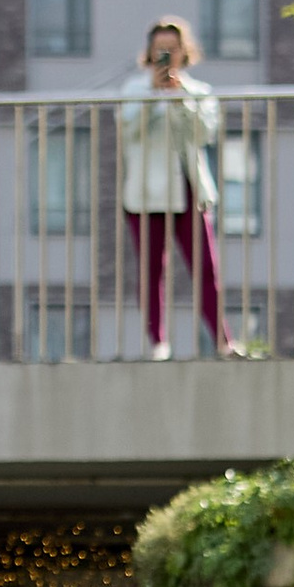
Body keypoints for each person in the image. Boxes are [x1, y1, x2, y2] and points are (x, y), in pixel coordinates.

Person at [117, 18, 235, 360]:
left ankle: (223, 342)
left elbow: (204, 133)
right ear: (150, 53)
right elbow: (128, 131)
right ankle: (158, 343)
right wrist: (154, 97)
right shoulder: (134, 90)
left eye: (172, 49)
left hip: (189, 190)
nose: (166, 55)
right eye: (160, 50)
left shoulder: (198, 91)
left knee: (206, 268)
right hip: (145, 194)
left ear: (184, 51)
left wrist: (180, 98)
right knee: (151, 270)